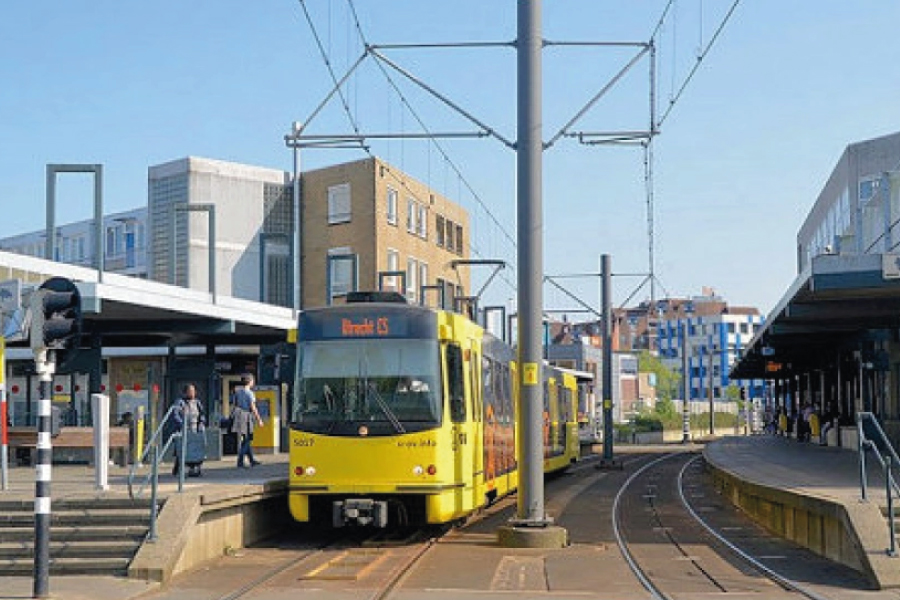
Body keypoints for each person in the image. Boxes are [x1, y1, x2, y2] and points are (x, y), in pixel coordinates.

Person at [231, 374, 264, 468]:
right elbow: (253, 407)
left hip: (238, 416)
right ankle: (240, 461)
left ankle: (251, 460)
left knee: (246, 439)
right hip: (247, 417)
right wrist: (259, 420)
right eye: (253, 380)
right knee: (247, 440)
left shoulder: (238, 392)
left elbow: (235, 404)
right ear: (250, 381)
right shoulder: (250, 393)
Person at [173, 384, 205, 477]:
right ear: (185, 392)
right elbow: (175, 414)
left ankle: (195, 469)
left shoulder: (197, 403)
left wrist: (201, 423)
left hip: (195, 429)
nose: (192, 393)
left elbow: (202, 414)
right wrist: (182, 424)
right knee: (183, 449)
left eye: (193, 391)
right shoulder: (180, 402)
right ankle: (179, 468)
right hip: (184, 429)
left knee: (196, 449)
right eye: (190, 391)